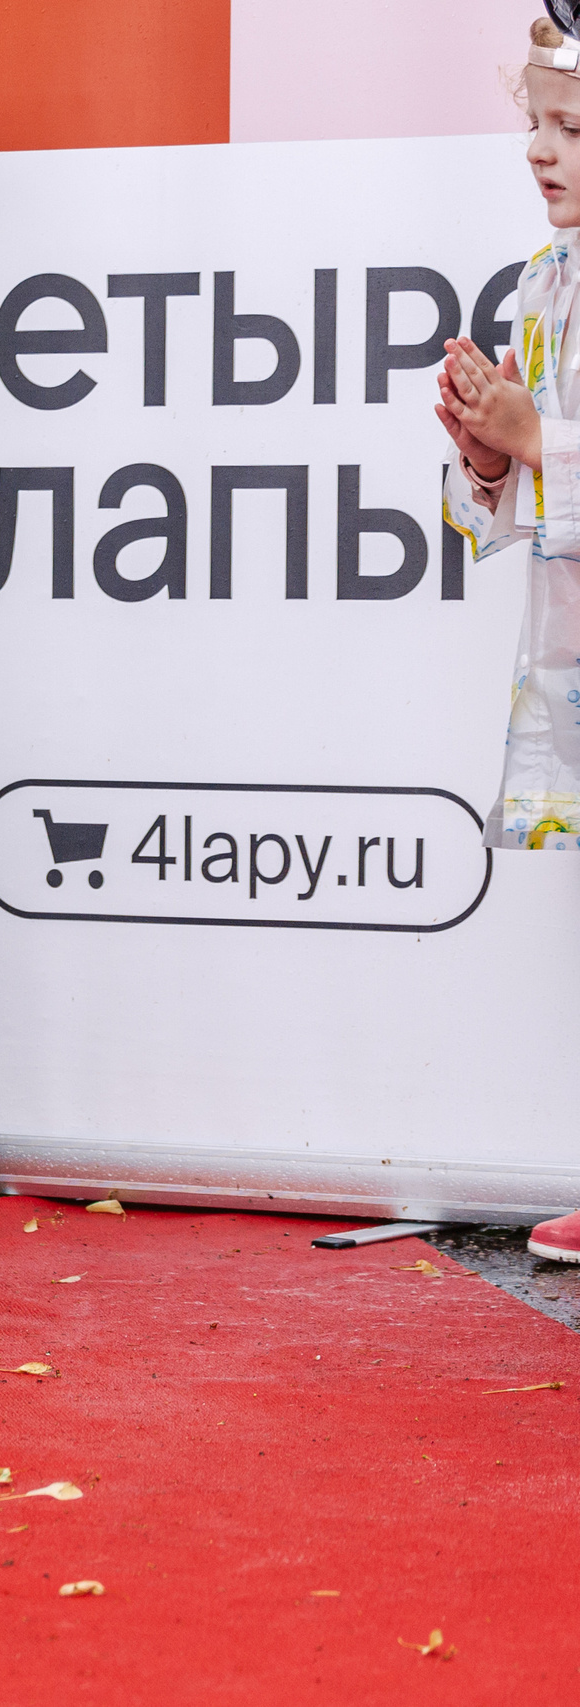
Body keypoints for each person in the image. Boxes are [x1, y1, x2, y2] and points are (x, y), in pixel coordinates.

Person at [437, 8, 580, 1264]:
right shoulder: (545, 278)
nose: (540, 152)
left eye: (571, 128)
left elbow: (559, 453)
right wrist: (484, 458)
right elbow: (508, 512)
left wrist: (536, 440)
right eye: (531, 122)